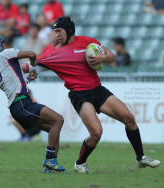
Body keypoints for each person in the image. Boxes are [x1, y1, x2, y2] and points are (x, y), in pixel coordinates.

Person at [34, 16, 161, 173]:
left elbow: (112, 56)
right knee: (96, 133)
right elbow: (35, 65)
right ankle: (80, 163)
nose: (56, 35)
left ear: (69, 30)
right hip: (79, 95)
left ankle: (141, 158)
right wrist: (29, 70)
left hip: (97, 90)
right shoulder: (53, 52)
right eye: (55, 32)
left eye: (59, 31)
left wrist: (104, 57)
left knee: (129, 118)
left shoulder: (87, 42)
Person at [0, 35, 66, 173]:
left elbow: (13, 85)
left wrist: (28, 79)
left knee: (53, 128)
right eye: (4, 43)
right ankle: (50, 160)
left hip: (15, 107)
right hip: (23, 102)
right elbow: (32, 54)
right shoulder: (4, 54)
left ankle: (51, 166)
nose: (6, 45)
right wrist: (34, 62)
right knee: (58, 120)